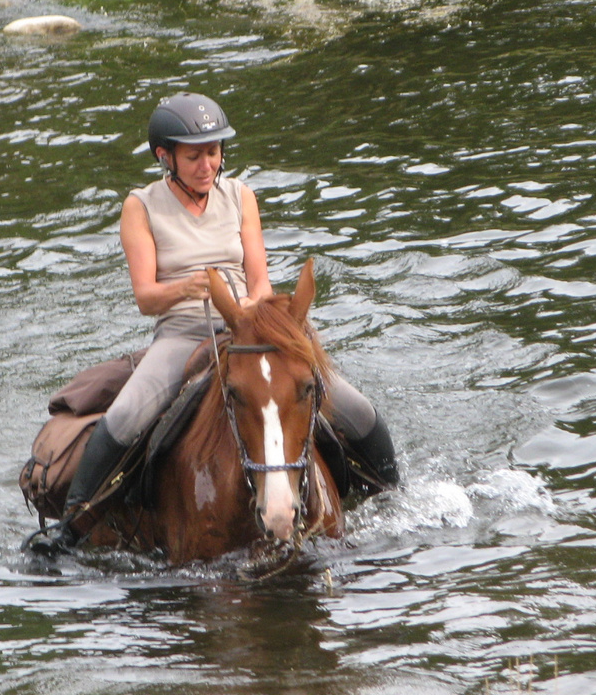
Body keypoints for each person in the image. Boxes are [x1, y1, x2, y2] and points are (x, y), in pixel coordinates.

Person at [27, 92, 398, 556]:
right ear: (166, 157)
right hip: (182, 333)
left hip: (247, 329)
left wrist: (245, 311)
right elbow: (146, 297)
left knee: (355, 408)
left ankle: (391, 496)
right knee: (124, 419)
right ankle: (70, 531)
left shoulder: (241, 196)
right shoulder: (140, 207)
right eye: (194, 155)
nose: (207, 164)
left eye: (214, 152)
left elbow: (261, 281)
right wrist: (186, 288)